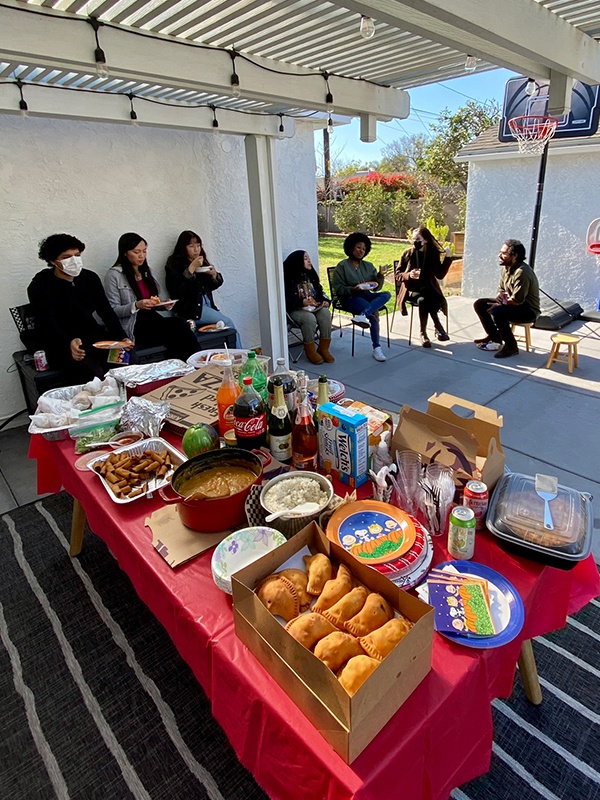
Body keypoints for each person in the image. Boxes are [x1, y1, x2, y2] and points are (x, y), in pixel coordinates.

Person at [28, 233, 131, 382]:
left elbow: (106, 311)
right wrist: (68, 341)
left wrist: (122, 337)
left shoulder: (90, 278)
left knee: (128, 359)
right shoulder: (40, 286)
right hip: (62, 344)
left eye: (77, 255)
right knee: (93, 373)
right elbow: (48, 323)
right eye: (66, 257)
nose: (74, 260)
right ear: (53, 261)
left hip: (94, 339)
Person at [104, 233, 199, 362]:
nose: (141, 255)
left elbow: (153, 301)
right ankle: (193, 364)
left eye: (144, 251)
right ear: (125, 253)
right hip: (134, 324)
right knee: (177, 328)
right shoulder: (115, 275)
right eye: (136, 252)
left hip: (152, 320)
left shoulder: (148, 272)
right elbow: (112, 311)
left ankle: (193, 363)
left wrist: (163, 305)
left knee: (180, 326)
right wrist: (136, 305)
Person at [164, 230, 241, 348]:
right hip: (191, 309)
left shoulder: (201, 261)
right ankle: (240, 357)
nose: (196, 249)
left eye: (198, 245)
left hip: (207, 305)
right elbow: (178, 289)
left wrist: (214, 275)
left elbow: (213, 285)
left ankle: (235, 356)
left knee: (224, 328)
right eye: (191, 246)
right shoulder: (174, 263)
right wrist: (191, 269)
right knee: (228, 324)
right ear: (183, 247)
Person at [473, 239, 540, 359]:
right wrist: (500, 297)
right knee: (480, 304)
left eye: (504, 253)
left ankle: (511, 347)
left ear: (514, 256)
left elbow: (517, 300)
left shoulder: (522, 272)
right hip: (511, 303)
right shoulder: (506, 268)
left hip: (528, 309)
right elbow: (502, 289)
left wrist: (500, 305)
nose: (500, 255)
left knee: (498, 312)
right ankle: (494, 337)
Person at [332, 232, 391, 362]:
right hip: (350, 298)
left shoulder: (368, 266)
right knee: (373, 315)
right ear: (351, 247)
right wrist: (353, 289)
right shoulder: (342, 266)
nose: (361, 251)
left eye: (364, 249)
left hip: (366, 296)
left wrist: (380, 275)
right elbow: (339, 289)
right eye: (358, 247)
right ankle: (377, 348)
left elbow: (376, 287)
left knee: (387, 294)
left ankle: (363, 314)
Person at [395, 226, 452, 347]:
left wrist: (447, 258)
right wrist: (409, 275)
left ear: (425, 240)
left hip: (429, 290)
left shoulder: (432, 254)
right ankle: (437, 327)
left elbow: (440, 275)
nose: (415, 241)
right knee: (425, 299)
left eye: (418, 239)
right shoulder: (407, 254)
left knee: (424, 300)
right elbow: (397, 275)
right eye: (413, 239)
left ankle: (423, 333)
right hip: (412, 290)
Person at [283, 250, 334, 364]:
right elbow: (286, 300)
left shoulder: (310, 275)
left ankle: (323, 349)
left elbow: (320, 292)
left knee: (325, 313)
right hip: (296, 310)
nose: (309, 261)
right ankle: (310, 351)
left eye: (309, 257)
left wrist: (325, 301)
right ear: (297, 262)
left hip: (313, 307)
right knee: (309, 319)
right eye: (305, 258)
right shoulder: (287, 278)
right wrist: (302, 302)